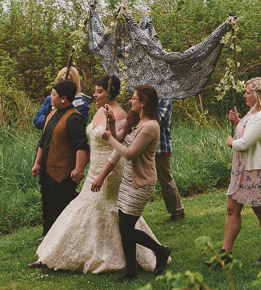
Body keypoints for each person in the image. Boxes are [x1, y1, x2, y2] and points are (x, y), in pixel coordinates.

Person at [31, 75, 163, 275]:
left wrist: (102, 174)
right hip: (95, 167)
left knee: (105, 210)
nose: (94, 94)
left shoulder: (121, 114)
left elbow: (117, 149)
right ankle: (59, 252)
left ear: (109, 92)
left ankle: (117, 257)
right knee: (84, 207)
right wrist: (85, 166)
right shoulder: (102, 112)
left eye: (99, 91)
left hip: (109, 170)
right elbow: (97, 140)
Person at [88, 83, 172, 280]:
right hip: (127, 180)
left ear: (143, 103)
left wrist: (109, 139)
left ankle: (160, 250)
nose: (130, 100)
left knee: (126, 228)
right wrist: (110, 121)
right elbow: (119, 138)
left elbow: (129, 153)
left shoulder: (151, 127)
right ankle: (131, 272)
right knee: (124, 228)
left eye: (134, 98)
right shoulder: (135, 121)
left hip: (141, 183)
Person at [222, 77, 261, 264]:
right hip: (241, 169)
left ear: (258, 94)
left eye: (248, 93)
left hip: (258, 170)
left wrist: (231, 143)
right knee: (232, 209)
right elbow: (248, 131)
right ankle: (225, 254)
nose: (244, 96)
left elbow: (245, 143)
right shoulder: (253, 112)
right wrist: (239, 121)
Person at [30, 79, 89, 238]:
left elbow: (81, 146)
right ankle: (47, 234)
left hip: (63, 173)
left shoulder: (74, 118)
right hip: (47, 170)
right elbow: (43, 141)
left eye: (53, 94)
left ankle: (65, 237)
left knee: (62, 207)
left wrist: (78, 170)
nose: (50, 97)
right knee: (47, 204)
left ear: (63, 98)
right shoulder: (51, 114)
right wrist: (37, 163)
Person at [154, 97, 185, 222]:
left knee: (165, 179)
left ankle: (177, 211)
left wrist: (144, 106)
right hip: (144, 146)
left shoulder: (165, 101)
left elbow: (158, 120)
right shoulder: (143, 98)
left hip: (161, 148)